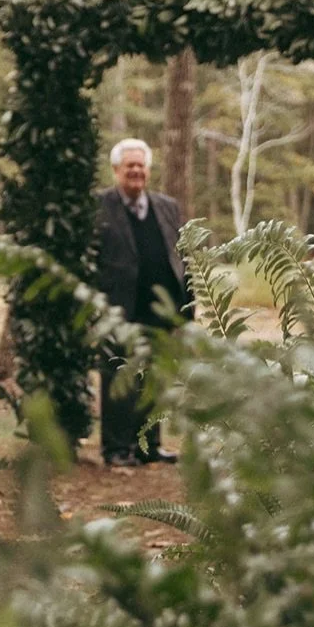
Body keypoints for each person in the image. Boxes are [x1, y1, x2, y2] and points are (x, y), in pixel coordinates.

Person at [95, 138, 188, 466]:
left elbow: (181, 257)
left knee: (154, 379)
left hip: (160, 310)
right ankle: (117, 449)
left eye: (141, 165)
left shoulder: (167, 206)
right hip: (119, 308)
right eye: (129, 166)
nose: (136, 171)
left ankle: (150, 446)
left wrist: (186, 309)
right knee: (118, 379)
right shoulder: (99, 205)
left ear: (148, 170)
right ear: (116, 170)